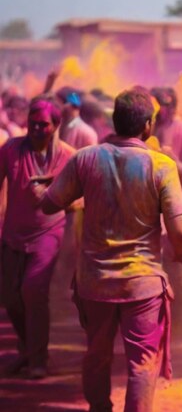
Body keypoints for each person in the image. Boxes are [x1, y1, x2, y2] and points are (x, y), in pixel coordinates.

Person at [41, 88, 182, 411]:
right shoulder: (161, 165)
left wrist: (54, 186)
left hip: (94, 281)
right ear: (148, 126)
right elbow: (180, 229)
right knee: (141, 363)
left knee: (97, 354)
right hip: (142, 283)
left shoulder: (86, 158)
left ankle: (99, 407)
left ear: (116, 121)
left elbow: (50, 203)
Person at [0, 96, 75, 379]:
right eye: (32, 123)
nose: (36, 129)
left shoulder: (68, 156)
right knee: (9, 297)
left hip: (48, 233)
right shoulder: (10, 149)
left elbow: (80, 199)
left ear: (56, 125)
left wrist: (52, 196)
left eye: (43, 124)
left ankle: (38, 358)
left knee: (33, 291)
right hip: (12, 234)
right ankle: (27, 350)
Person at [151, 87, 182, 328]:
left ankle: (181, 323)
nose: (162, 109)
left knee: (177, 269)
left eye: (166, 104)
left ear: (174, 106)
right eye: (158, 104)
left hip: (178, 208)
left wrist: (169, 160)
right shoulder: (151, 127)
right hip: (152, 210)